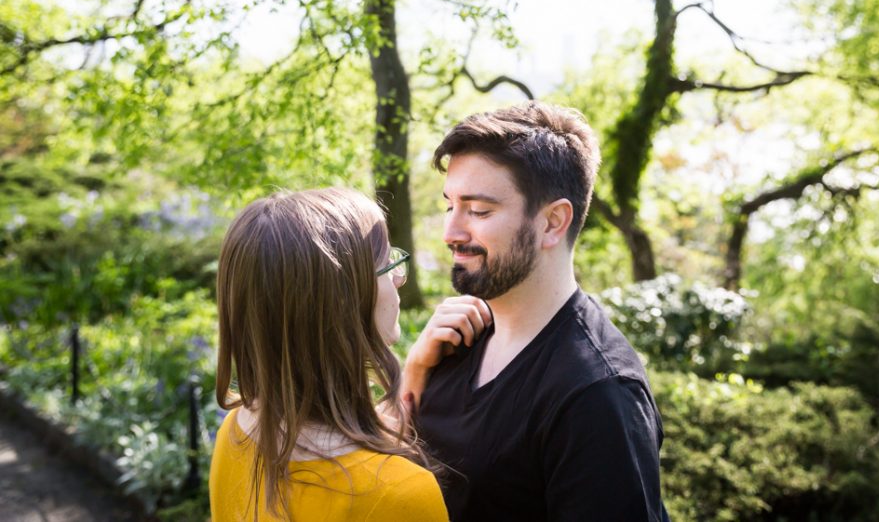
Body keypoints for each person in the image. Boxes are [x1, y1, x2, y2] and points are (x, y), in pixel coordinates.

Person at [402, 101, 667, 521]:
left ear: (552, 223)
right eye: (449, 205)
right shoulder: (455, 340)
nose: (450, 232)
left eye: (479, 211)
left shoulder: (598, 394)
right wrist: (414, 373)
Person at [209, 187, 447, 521]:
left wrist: (415, 372)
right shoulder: (398, 493)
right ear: (340, 305)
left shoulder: (235, 433)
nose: (399, 277)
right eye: (385, 265)